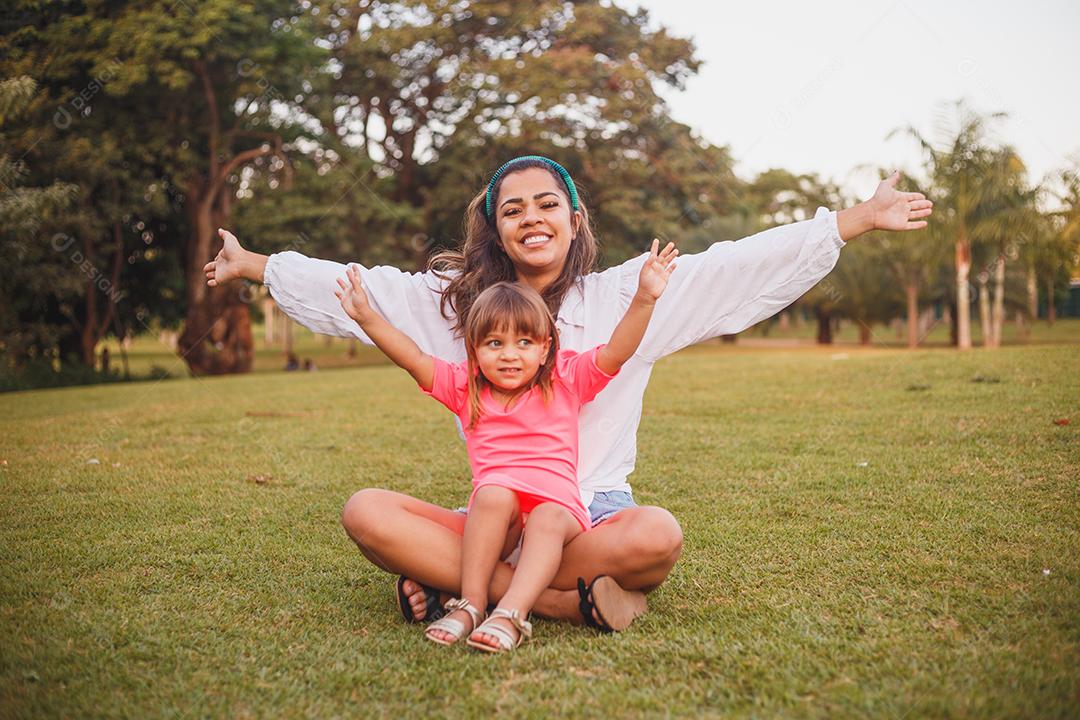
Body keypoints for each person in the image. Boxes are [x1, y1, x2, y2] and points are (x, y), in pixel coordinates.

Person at [203, 156, 932, 630]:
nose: (531, 218)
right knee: (367, 515)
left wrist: (855, 220)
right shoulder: (456, 306)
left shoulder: (623, 297)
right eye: (511, 207)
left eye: (546, 204)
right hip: (497, 509)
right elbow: (364, 292)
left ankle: (467, 589)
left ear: (574, 219)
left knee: (656, 537)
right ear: (495, 227)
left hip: (594, 512)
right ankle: (563, 601)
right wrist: (255, 264)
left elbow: (733, 267)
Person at [334, 235, 676, 651]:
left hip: (561, 522)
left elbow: (617, 352)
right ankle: (489, 603)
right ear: (474, 351)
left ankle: (507, 609)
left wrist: (644, 297)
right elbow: (412, 358)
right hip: (492, 527)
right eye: (495, 343)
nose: (510, 355)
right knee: (372, 508)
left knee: (646, 529)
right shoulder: (466, 388)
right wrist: (367, 318)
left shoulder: (564, 379)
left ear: (545, 348)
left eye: (524, 343)